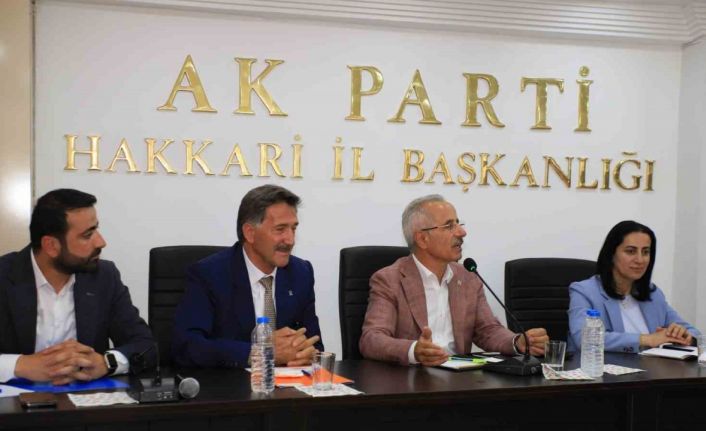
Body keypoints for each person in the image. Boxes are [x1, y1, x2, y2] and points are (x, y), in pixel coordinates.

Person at [359, 194, 547, 366]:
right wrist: (413, 350)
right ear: (422, 239)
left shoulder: (468, 277)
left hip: (460, 380)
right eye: (449, 226)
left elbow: (487, 330)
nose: (461, 232)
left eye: (458, 224)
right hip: (411, 379)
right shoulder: (389, 279)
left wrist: (517, 341)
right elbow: (372, 339)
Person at [0, 189, 154, 385]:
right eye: (87, 235)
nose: (101, 242)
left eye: (96, 229)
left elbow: (146, 345)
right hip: (14, 402)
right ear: (51, 246)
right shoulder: (4, 276)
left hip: (84, 400)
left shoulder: (104, 277)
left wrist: (107, 362)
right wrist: (20, 365)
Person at [173, 184, 323, 368]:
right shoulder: (209, 274)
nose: (290, 240)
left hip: (289, 383)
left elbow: (314, 344)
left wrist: (307, 354)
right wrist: (260, 353)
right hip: (231, 383)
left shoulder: (301, 273)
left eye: (293, 229)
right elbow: (188, 346)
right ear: (250, 233)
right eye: (280, 229)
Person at [568, 220, 700, 353]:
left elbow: (696, 334)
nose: (640, 260)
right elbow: (583, 338)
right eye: (631, 251)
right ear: (611, 254)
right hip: (604, 366)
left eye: (645, 252)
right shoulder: (584, 292)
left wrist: (684, 336)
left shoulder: (653, 294)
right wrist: (647, 339)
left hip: (652, 366)